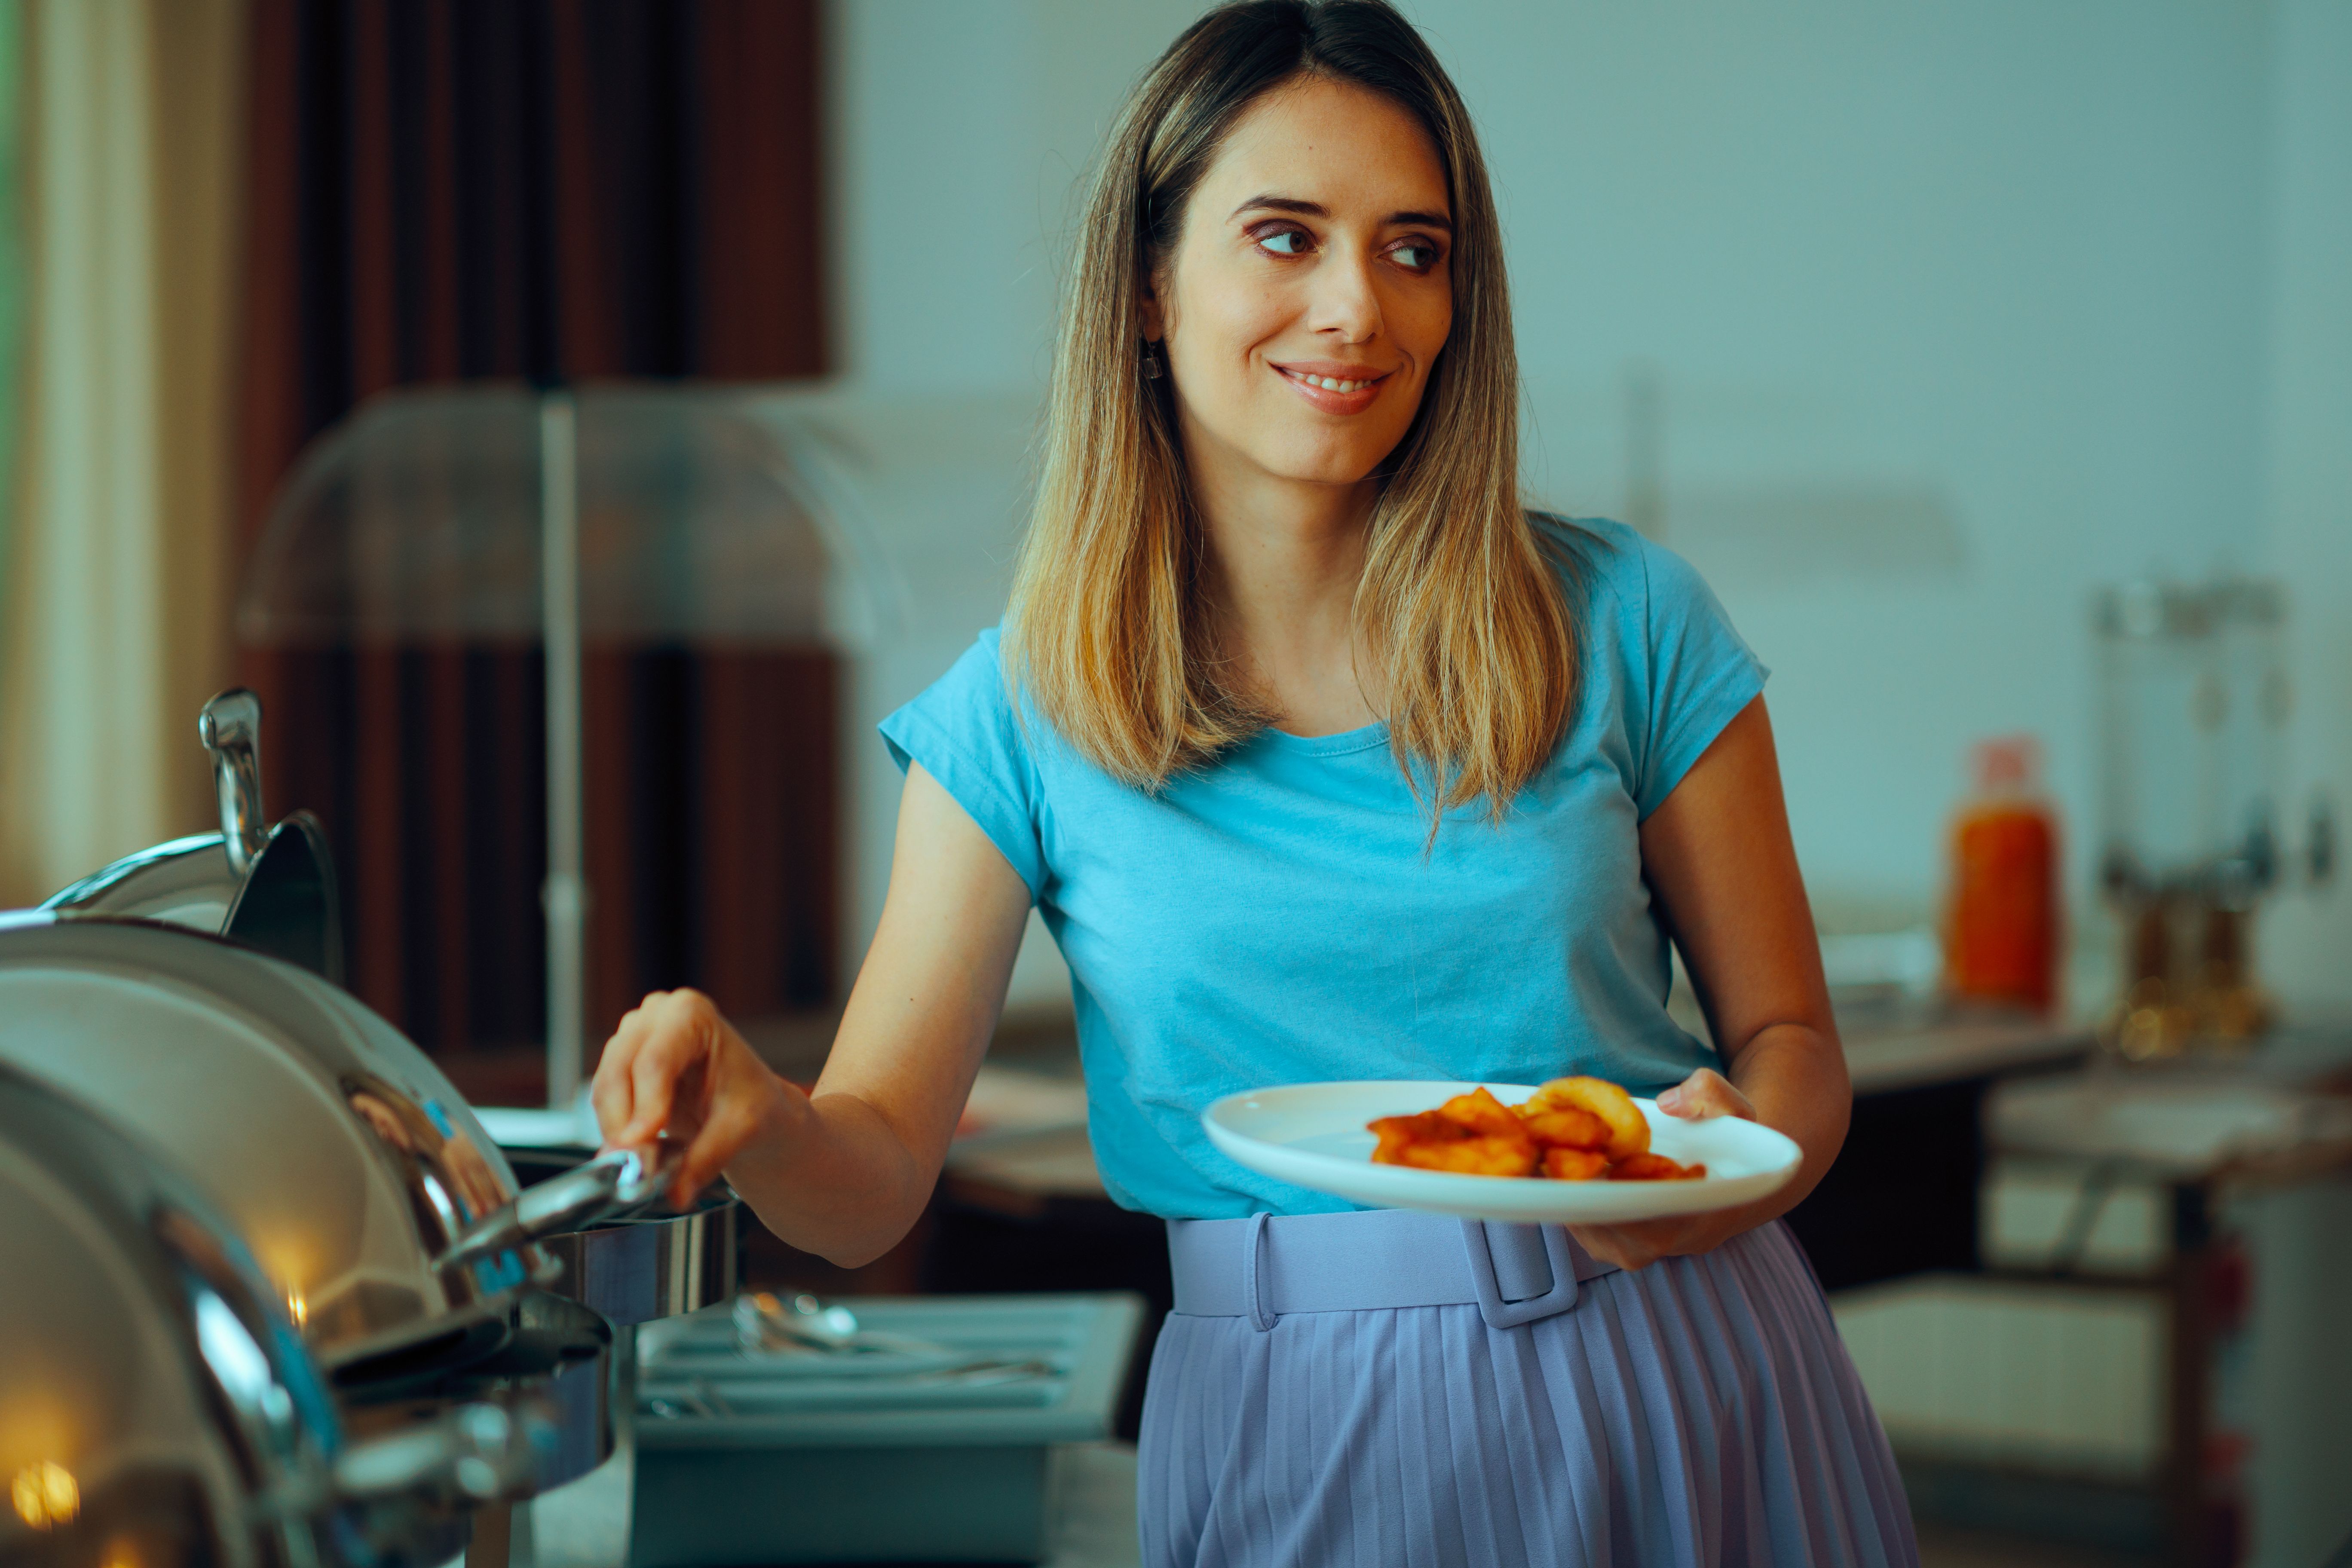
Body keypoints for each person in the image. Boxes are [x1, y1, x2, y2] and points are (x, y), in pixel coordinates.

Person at [591, 2, 1918, 1562]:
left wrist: (1740, 1167)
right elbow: (874, 1177)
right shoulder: (1016, 716)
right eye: (1286, 237)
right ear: (1151, 288)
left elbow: (1793, 1046)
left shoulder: (1628, 619)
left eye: (1413, 250)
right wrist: (757, 1115)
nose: (1356, 306)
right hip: (1292, 1424)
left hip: (1677, 1372)